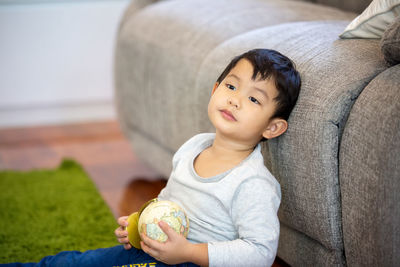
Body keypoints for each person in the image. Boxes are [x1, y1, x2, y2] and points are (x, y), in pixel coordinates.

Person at [2, 48, 301, 267]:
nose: (235, 99)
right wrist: (141, 224)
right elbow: (168, 203)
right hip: (158, 252)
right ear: (215, 90)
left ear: (272, 127)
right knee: (75, 262)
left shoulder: (253, 184)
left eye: (253, 99)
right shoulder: (194, 146)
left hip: (194, 263)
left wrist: (188, 253)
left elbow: (260, 253)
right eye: (231, 86)